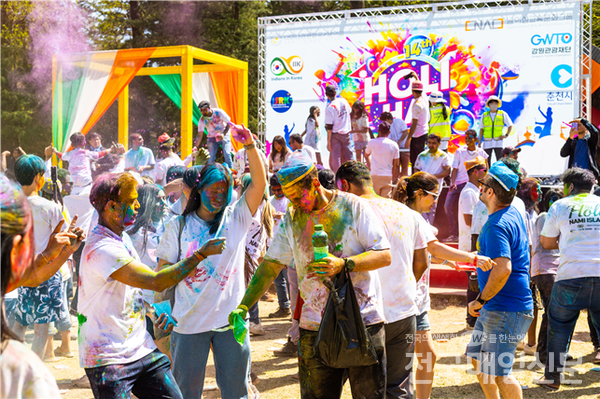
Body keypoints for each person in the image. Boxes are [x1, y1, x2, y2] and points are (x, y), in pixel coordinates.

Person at [232, 151, 392, 399]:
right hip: (313, 326)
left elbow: (383, 255)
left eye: (298, 196)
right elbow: (270, 266)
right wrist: (244, 305)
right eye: (289, 198)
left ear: (315, 183)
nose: (294, 203)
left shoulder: (354, 207)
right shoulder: (293, 217)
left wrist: (344, 264)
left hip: (362, 322)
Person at [79, 172, 226, 398]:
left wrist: (151, 311)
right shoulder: (102, 249)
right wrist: (200, 255)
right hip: (108, 359)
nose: (138, 205)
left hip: (141, 349)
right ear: (111, 206)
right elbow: (156, 282)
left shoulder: (121, 237)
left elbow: (128, 293)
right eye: (131, 201)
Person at [155, 124, 266, 398]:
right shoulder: (177, 227)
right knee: (186, 392)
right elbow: (162, 275)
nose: (218, 195)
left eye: (223, 189)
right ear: (199, 190)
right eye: (211, 189)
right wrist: (161, 318)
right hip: (188, 323)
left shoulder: (237, 217)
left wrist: (250, 145)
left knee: (235, 391)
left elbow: (260, 184)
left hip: (230, 323)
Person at [392, 172, 495, 399]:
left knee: (426, 355)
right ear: (419, 194)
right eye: (432, 196)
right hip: (408, 302)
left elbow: (428, 252)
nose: (435, 202)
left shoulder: (411, 215)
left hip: (414, 302)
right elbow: (435, 247)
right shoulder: (414, 217)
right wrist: (471, 258)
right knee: (415, 358)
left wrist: (449, 261)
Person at [336, 161, 429, 399]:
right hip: (404, 312)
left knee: (367, 390)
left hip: (363, 315)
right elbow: (422, 263)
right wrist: (402, 289)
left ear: (344, 184)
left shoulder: (347, 211)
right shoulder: (407, 212)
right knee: (398, 388)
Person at [466, 161, 533, 399]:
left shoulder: (497, 224)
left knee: (499, 372)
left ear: (491, 191)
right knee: (477, 359)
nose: (480, 187)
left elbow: (504, 268)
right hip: (499, 306)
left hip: (505, 307)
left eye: (483, 184)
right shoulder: (511, 213)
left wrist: (480, 300)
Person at [535, 167, 600, 390]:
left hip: (570, 277)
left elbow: (545, 242)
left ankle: (552, 377)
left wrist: (565, 241)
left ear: (570, 187)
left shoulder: (560, 206)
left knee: (559, 327)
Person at [0, 174, 62, 398]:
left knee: (22, 322)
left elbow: (32, 279)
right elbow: (34, 278)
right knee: (40, 327)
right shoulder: (21, 373)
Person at [10, 155, 75, 360]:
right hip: (46, 273)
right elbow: (63, 238)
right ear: (39, 177)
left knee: (20, 322)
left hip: (22, 272)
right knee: (41, 329)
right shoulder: (51, 207)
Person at [127, 183, 175, 358]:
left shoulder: (170, 224)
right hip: (143, 299)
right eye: (158, 200)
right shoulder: (133, 233)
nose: (164, 203)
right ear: (146, 202)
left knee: (166, 342)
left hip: (166, 297)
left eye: (164, 198)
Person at [531, 188, 562, 365]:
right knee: (551, 312)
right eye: (553, 199)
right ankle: (543, 354)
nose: (555, 202)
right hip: (544, 269)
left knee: (555, 312)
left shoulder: (556, 217)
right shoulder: (543, 216)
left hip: (555, 268)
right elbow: (546, 243)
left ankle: (553, 352)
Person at [444, 129, 488, 242]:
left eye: (470, 138)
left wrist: (485, 185)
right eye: (466, 138)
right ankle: (453, 234)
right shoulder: (460, 151)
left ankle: (479, 234)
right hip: (459, 183)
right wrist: (452, 182)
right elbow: (454, 169)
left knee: (477, 209)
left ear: (476, 139)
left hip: (475, 185)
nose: (467, 140)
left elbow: (486, 170)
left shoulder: (482, 153)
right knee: (447, 206)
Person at [267, 174, 292, 320]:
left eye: (279, 190)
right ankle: (284, 306)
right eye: (274, 190)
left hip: (287, 244)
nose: (277, 193)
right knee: (277, 279)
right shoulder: (270, 202)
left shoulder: (289, 201)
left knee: (290, 279)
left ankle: (293, 307)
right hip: (272, 243)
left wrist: (281, 216)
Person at [413, 133, 451, 224]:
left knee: (431, 208)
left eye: (433, 143)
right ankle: (426, 229)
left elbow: (447, 171)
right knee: (421, 207)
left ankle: (429, 230)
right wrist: (421, 178)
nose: (431, 145)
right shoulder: (422, 155)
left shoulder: (443, 156)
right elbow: (416, 169)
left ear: (439, 144)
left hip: (435, 188)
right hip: (422, 187)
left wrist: (434, 177)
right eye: (429, 143)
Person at [458, 157, 486, 252]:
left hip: (476, 244)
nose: (486, 174)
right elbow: (468, 221)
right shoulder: (469, 193)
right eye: (484, 170)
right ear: (476, 171)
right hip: (469, 247)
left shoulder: (476, 191)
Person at [365, 121, 400, 197]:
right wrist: (393, 178)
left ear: (378, 131)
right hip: (387, 176)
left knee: (374, 200)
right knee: (385, 201)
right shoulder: (394, 145)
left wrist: (370, 167)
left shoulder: (372, 142)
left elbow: (366, 155)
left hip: (374, 175)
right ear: (389, 132)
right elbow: (396, 165)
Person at [324, 84, 354, 172]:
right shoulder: (343, 101)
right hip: (346, 133)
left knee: (336, 157)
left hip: (335, 135)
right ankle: (353, 172)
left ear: (326, 95)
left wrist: (328, 142)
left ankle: (337, 176)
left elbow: (329, 127)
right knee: (349, 155)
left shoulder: (329, 108)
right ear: (335, 93)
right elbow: (350, 113)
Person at [403, 72, 429, 168]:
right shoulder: (424, 98)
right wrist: (415, 76)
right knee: (422, 158)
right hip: (424, 133)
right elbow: (419, 87)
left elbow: (414, 123)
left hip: (417, 136)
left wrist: (409, 138)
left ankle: (417, 178)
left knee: (415, 160)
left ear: (412, 91)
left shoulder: (417, 105)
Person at [197, 100, 233, 168]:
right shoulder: (202, 120)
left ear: (209, 107)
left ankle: (231, 172)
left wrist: (223, 134)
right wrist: (196, 146)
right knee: (210, 157)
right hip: (211, 137)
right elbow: (199, 134)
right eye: (201, 110)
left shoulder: (218, 112)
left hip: (224, 134)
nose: (203, 112)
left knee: (227, 153)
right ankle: (210, 173)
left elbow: (229, 123)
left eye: (205, 110)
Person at [477, 95, 513, 162]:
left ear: (498, 104)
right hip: (487, 143)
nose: (494, 104)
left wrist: (506, 135)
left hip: (498, 142)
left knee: (500, 160)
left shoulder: (502, 114)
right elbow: (481, 129)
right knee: (486, 161)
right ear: (489, 105)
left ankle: (499, 172)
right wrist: (479, 141)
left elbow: (510, 125)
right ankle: (488, 172)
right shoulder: (484, 115)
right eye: (492, 103)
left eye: (495, 103)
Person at [382, 111, 410, 177]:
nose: (384, 122)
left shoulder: (399, 121)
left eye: (384, 120)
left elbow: (406, 132)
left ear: (389, 119)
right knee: (395, 168)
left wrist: (400, 141)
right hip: (395, 150)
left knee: (405, 169)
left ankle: (404, 183)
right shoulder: (387, 127)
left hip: (404, 148)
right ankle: (396, 183)